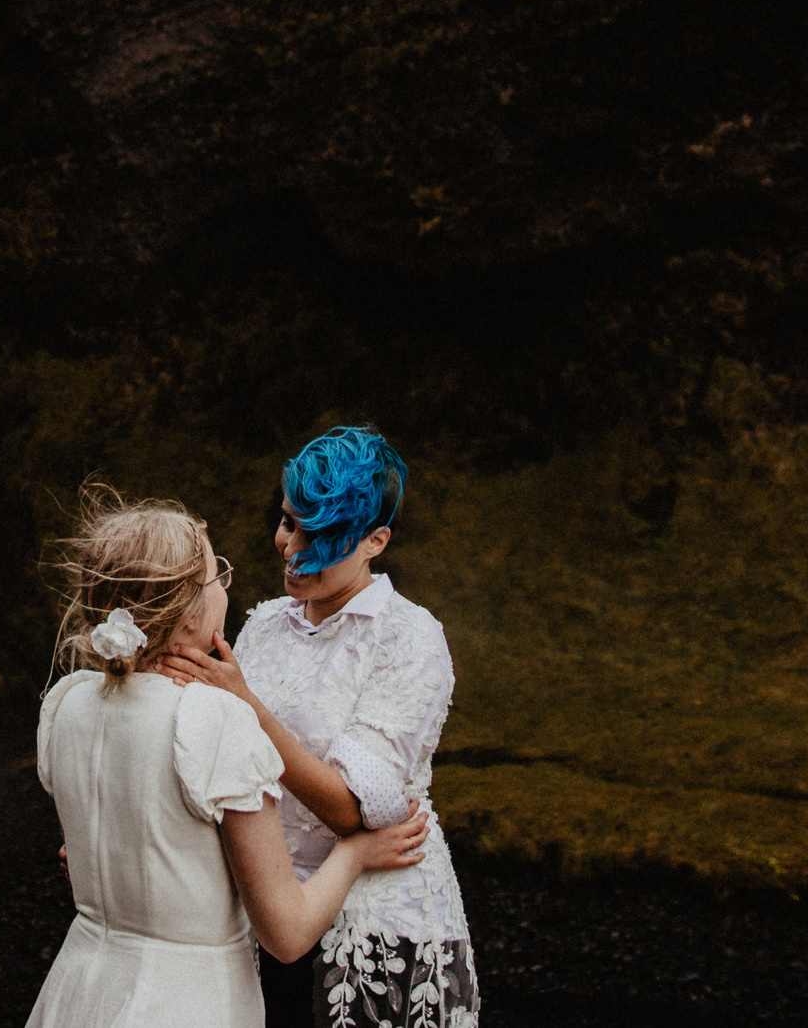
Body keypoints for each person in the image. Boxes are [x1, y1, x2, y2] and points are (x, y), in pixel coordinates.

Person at [28, 488, 433, 1028]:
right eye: (216, 574)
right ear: (191, 616)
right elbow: (285, 936)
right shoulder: (214, 721)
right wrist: (357, 853)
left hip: (79, 989)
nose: (227, 581)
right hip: (187, 1002)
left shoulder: (68, 704)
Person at [161, 428, 480, 1028]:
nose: (291, 548)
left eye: (321, 535)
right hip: (268, 911)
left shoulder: (407, 639)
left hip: (374, 930)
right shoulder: (263, 627)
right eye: (289, 522)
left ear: (375, 540)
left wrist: (246, 705)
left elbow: (350, 812)